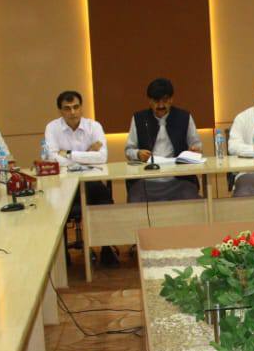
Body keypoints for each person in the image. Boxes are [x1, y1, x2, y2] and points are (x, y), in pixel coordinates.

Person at [44, 90, 117, 267]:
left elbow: (102, 157)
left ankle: (106, 248)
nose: (73, 112)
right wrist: (87, 155)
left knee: (105, 200)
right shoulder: (52, 128)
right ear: (60, 110)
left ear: (81, 107)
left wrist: (68, 154)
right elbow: (52, 159)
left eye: (76, 107)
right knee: (55, 204)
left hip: (91, 183)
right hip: (64, 185)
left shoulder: (94, 126)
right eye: (67, 108)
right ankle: (62, 254)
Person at [125, 77, 203, 202]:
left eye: (165, 101)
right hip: (147, 180)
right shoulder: (139, 119)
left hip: (178, 179)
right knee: (135, 199)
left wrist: (195, 151)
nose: (161, 105)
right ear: (149, 101)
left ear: (172, 99)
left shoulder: (184, 117)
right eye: (156, 101)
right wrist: (138, 154)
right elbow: (129, 150)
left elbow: (197, 146)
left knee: (191, 199)